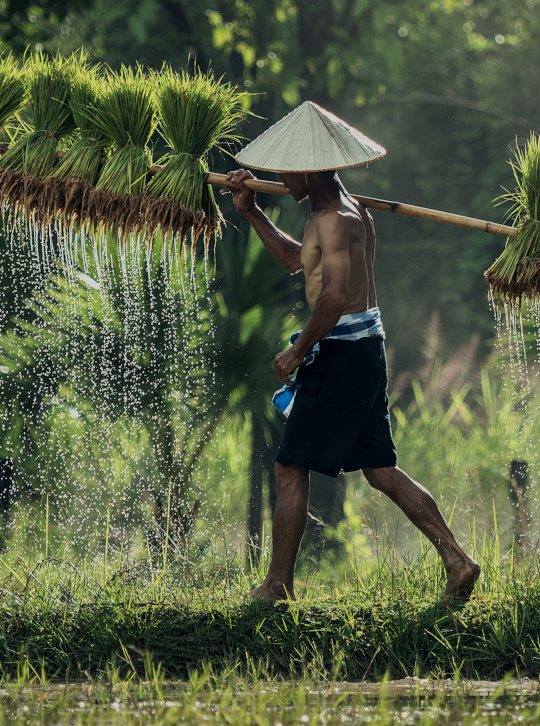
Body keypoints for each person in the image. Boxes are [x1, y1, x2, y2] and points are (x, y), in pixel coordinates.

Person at [220, 101, 480, 601]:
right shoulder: (340, 213)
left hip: (342, 353)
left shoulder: (337, 219)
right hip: (363, 350)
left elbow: (335, 297)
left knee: (289, 465)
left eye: (286, 168)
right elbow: (299, 261)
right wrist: (250, 210)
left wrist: (298, 351)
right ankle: (458, 560)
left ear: (309, 169)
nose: (280, 176)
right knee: (380, 470)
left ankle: (276, 585)